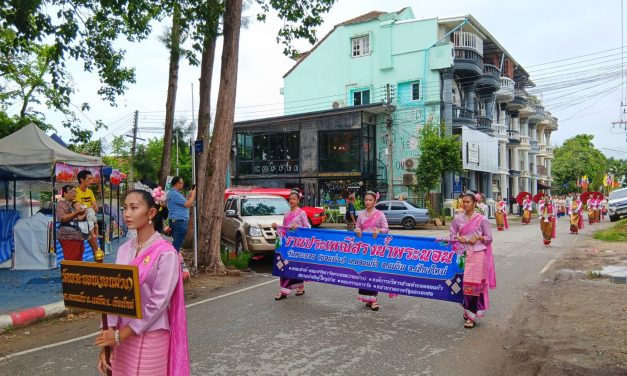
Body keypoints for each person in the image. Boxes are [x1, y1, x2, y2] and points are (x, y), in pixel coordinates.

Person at [95, 183, 189, 376]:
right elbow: (114, 296)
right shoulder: (124, 250)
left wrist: (120, 335)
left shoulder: (166, 254)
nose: (127, 213)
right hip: (122, 336)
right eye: (125, 208)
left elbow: (158, 303)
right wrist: (109, 340)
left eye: (134, 207)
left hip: (150, 335)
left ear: (151, 213)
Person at [449, 192, 496, 329]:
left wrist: (479, 238)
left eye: (467, 202)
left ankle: (471, 316)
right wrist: (458, 238)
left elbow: (489, 238)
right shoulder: (458, 219)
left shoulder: (482, 219)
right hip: (462, 254)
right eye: (463, 202)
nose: (464, 204)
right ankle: (467, 309)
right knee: (462, 284)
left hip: (477, 254)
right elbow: (452, 234)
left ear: (474, 203)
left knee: (474, 285)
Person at [354, 190, 389, 311]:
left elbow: (386, 228)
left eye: (370, 200)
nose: (367, 202)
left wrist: (379, 231)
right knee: (364, 273)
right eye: (366, 200)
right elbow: (358, 226)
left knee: (373, 274)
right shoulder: (361, 214)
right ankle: (368, 299)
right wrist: (357, 230)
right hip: (363, 248)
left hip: (375, 249)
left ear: (375, 201)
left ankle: (374, 299)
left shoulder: (380, 214)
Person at [272, 189, 310, 300]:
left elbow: (307, 227)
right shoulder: (287, 213)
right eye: (290, 199)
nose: (292, 201)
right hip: (287, 245)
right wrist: (277, 226)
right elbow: (284, 229)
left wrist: (298, 228)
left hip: (297, 245)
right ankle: (284, 291)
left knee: (296, 267)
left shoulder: (302, 213)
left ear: (298, 200)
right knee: (285, 265)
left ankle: (300, 287)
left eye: (294, 199)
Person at [56, 185, 87, 261]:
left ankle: (77, 272)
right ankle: (69, 273)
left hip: (78, 235)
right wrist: (76, 212)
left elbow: (79, 218)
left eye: (75, 191)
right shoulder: (61, 204)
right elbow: (62, 218)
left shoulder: (75, 204)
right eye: (72, 191)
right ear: (65, 193)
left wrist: (84, 212)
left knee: (78, 259)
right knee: (71, 260)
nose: (75, 193)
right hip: (68, 236)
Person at [75, 170, 102, 256]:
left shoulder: (89, 191)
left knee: (97, 250)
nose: (92, 181)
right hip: (80, 224)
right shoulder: (75, 192)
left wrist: (88, 208)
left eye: (92, 179)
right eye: (89, 179)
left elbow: (96, 208)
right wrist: (90, 207)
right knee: (78, 252)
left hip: (89, 221)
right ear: (82, 180)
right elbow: (80, 209)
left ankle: (100, 268)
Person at [166, 176, 195, 252]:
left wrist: (189, 196)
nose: (183, 184)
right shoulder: (175, 194)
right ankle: (174, 261)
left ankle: (174, 259)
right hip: (179, 221)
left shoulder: (173, 193)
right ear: (176, 184)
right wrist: (193, 194)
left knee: (176, 242)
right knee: (177, 243)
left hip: (176, 221)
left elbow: (184, 203)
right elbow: (188, 204)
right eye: (181, 183)